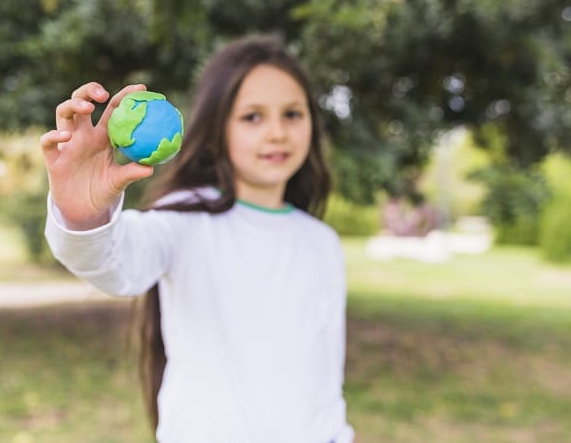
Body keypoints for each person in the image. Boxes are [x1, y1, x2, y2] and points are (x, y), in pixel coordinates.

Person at [41, 34, 355, 443]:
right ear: (215, 130)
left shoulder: (322, 243)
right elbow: (114, 265)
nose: (277, 132)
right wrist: (84, 215)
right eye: (253, 117)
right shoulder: (184, 219)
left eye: (292, 114)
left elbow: (324, 375)